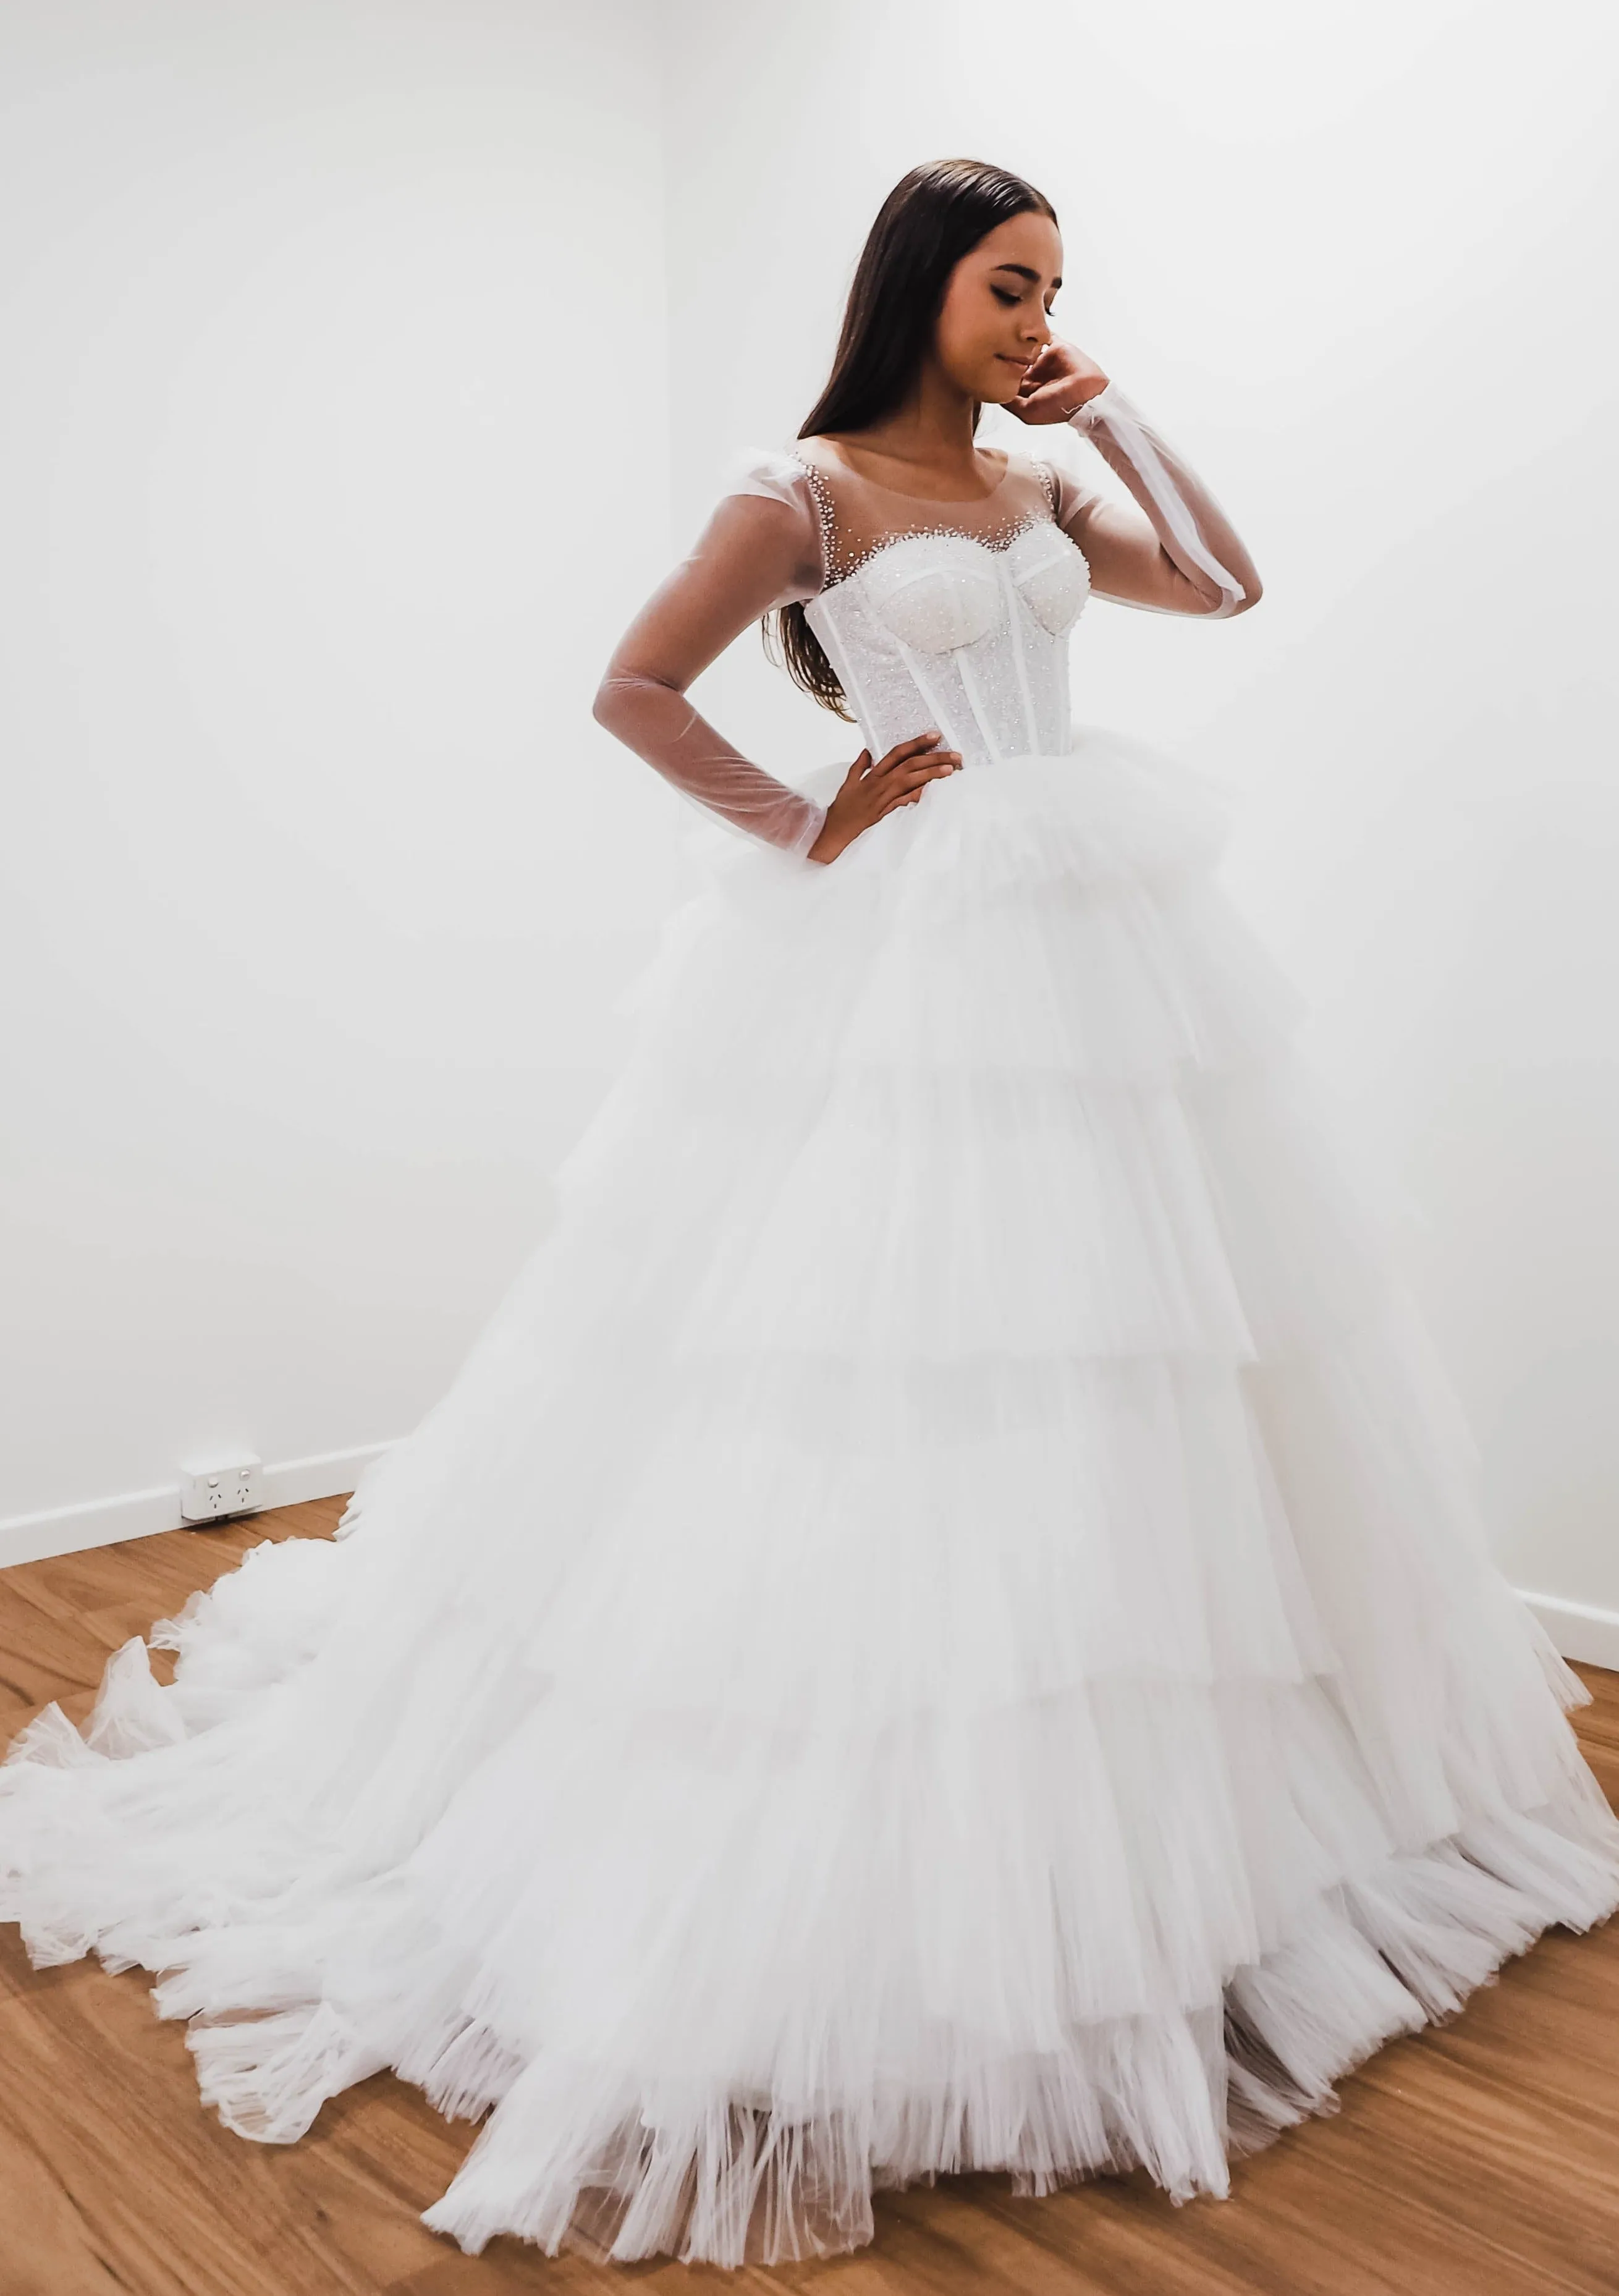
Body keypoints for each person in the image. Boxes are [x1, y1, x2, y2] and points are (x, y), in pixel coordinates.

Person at [2, 158, 1616, 2271]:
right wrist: (809, 820)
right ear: (914, 290)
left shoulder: (1040, 490)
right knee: (902, 1366)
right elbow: (632, 685)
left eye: (1054, 283)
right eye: (1005, 283)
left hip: (1104, 943)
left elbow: (1219, 587)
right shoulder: (812, 491)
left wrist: (1106, 413)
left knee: (1153, 1361)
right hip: (918, 956)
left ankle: (1180, 1842)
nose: (1034, 310)